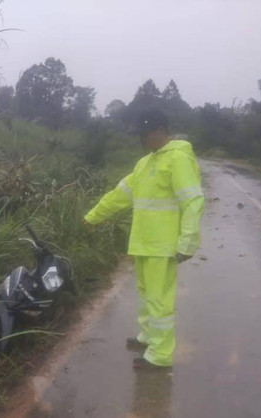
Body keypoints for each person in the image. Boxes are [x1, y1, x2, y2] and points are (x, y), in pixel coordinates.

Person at [83, 109, 204, 370]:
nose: (142, 140)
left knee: (160, 299)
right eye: (140, 135)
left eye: (145, 134)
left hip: (163, 246)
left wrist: (187, 242)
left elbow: (193, 200)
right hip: (143, 243)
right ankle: (148, 337)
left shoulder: (178, 159)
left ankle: (160, 355)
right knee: (147, 294)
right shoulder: (145, 163)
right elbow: (120, 195)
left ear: (161, 131)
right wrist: (92, 217)